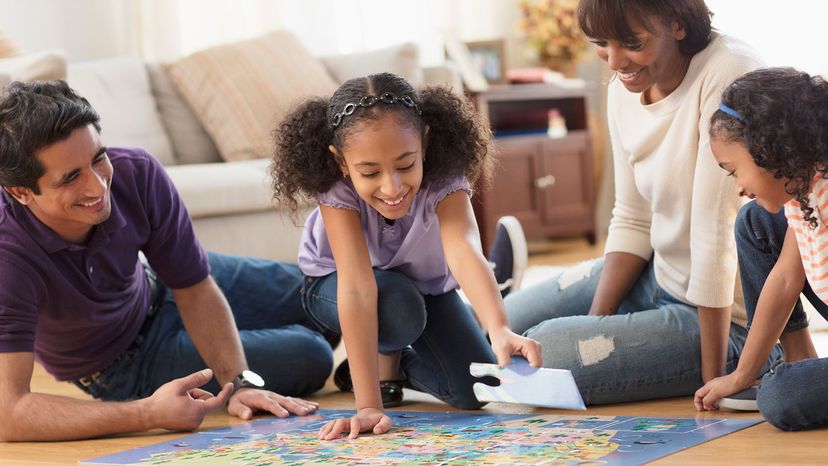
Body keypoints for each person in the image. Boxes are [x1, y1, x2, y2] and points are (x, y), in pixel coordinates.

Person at [0, 80, 333, 442]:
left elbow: (193, 285)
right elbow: (8, 413)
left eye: (98, 159)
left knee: (325, 295)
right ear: (20, 192)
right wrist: (147, 412)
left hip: (156, 286)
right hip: (119, 361)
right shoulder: (7, 256)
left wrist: (237, 382)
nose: (97, 188)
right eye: (70, 178)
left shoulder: (136, 171)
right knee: (311, 353)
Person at [502, 0, 771, 404]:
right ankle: (405, 360)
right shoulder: (625, 87)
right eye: (600, 43)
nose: (614, 62)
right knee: (500, 323)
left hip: (724, 318)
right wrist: (593, 323)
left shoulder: (729, 72)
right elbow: (632, 216)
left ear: (677, 24)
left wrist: (714, 380)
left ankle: (757, 358)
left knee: (546, 352)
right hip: (656, 274)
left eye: (630, 43)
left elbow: (714, 233)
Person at [270, 72, 542, 440]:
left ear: (425, 143)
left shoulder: (444, 177)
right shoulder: (337, 190)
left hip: (425, 285)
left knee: (479, 387)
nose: (392, 187)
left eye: (405, 165)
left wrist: (499, 328)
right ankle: (377, 374)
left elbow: (462, 248)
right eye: (370, 172)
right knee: (398, 304)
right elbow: (357, 287)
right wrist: (368, 407)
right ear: (341, 163)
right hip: (335, 286)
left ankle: (393, 371)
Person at [695, 67, 828, 431]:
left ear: (771, 150)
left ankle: (796, 377)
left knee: (781, 397)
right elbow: (785, 277)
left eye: (734, 170)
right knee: (755, 221)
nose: (738, 186)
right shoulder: (804, 187)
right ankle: (798, 359)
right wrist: (742, 374)